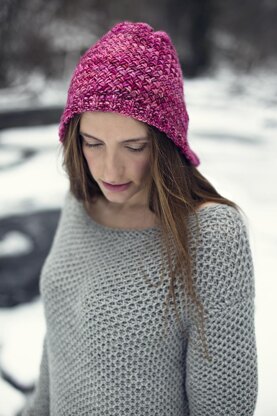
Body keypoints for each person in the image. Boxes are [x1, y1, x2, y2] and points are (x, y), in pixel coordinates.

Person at [22, 21, 258, 415]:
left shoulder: (212, 236)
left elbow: (223, 408)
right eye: (92, 143)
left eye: (134, 146)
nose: (110, 171)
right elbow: (59, 345)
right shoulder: (79, 203)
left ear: (167, 143)